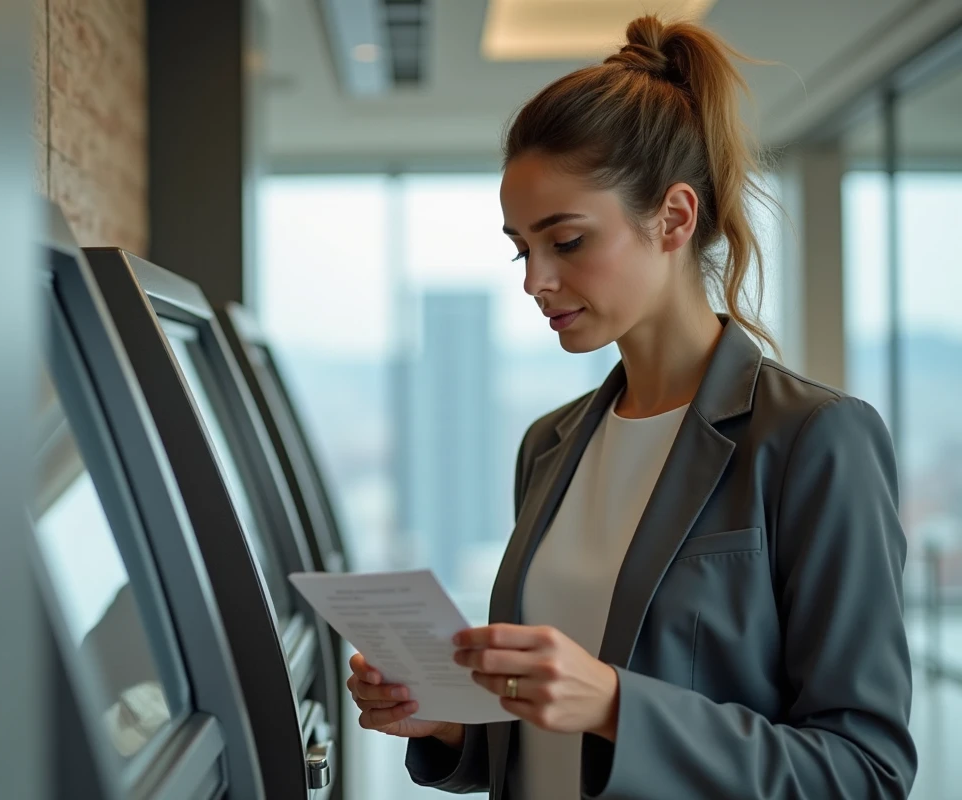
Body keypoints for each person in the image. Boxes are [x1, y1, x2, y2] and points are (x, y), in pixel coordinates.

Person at [345, 14, 917, 800]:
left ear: (675, 218)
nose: (535, 280)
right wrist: (448, 723)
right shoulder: (550, 446)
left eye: (567, 241)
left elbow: (865, 772)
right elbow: (544, 740)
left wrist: (618, 705)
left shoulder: (813, 438)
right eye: (522, 248)